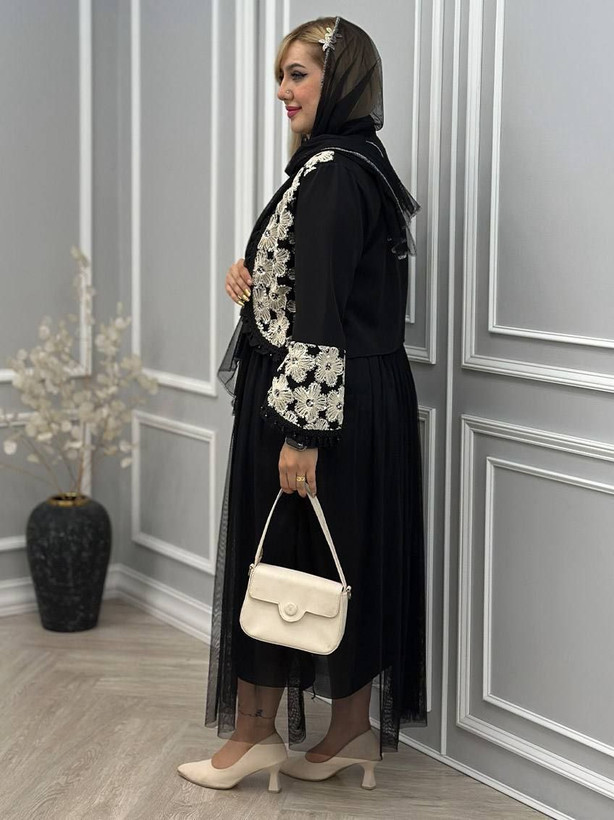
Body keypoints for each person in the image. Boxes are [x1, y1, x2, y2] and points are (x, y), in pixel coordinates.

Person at [178, 15, 427, 793]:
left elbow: (320, 312)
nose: (283, 91)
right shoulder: (354, 163)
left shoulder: (334, 173)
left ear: (339, 79)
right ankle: (349, 731)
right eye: (280, 75)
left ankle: (254, 736)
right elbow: (325, 283)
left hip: (313, 401)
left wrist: (300, 432)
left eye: (298, 75)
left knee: (286, 556)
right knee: (341, 554)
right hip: (358, 395)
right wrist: (254, 277)